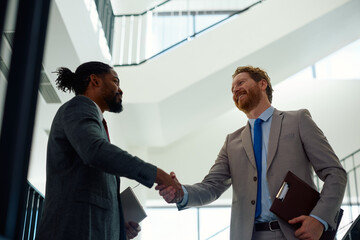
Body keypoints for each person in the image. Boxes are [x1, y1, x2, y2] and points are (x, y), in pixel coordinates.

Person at [156, 66, 347, 240]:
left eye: (240, 83)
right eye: (232, 89)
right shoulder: (232, 141)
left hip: (297, 234)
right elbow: (212, 186)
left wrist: (319, 219)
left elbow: (335, 173)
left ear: (262, 84)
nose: (235, 90)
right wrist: (181, 193)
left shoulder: (298, 120)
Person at [35, 61, 182, 240]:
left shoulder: (95, 120)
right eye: (115, 81)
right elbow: (96, 151)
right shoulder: (80, 106)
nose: (120, 90)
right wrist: (157, 174)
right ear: (95, 81)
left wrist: (118, 228)